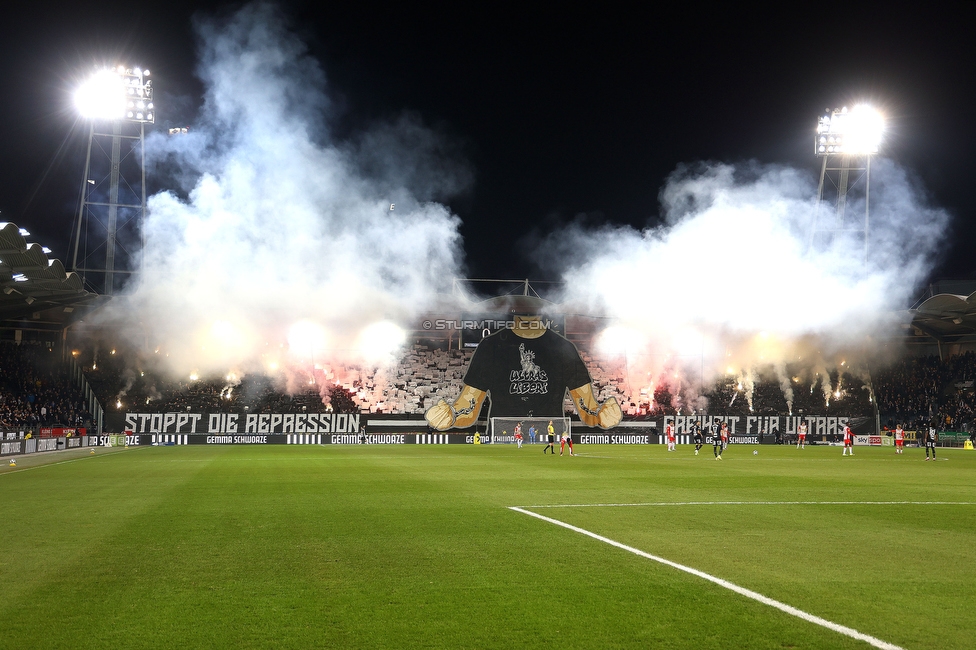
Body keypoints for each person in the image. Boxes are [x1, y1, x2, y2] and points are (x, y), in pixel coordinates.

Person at [424, 314, 622, 430]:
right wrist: (450, 415)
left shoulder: (564, 347)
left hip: (549, 434)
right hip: (503, 435)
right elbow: (469, 407)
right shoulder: (491, 346)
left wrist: (600, 414)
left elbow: (587, 406)